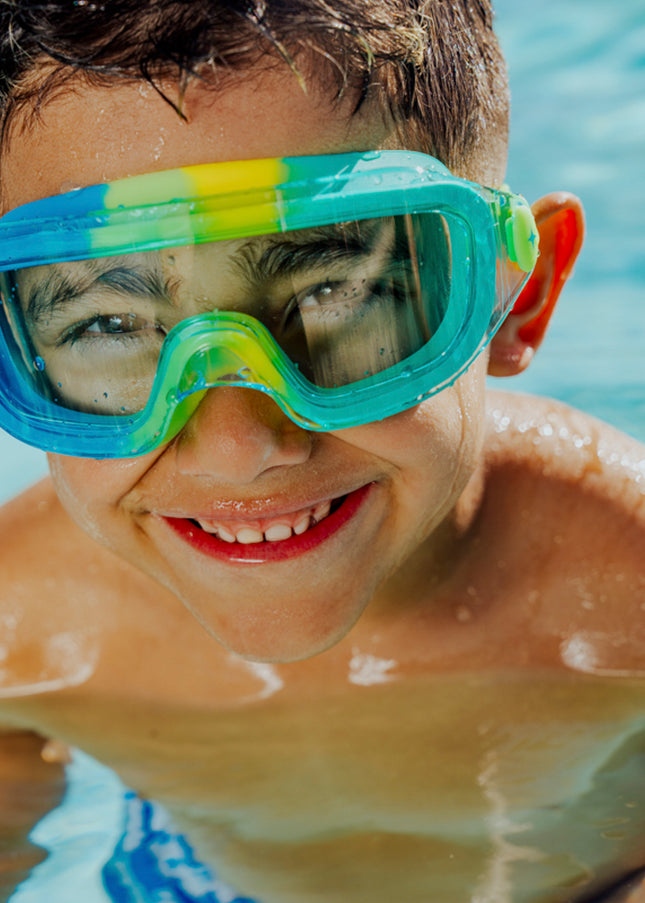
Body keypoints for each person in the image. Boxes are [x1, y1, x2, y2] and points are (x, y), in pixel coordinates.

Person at [0, 1, 643, 901]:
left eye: (337, 290)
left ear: (514, 297)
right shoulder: (24, 626)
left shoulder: (626, 595)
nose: (237, 448)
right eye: (108, 322)